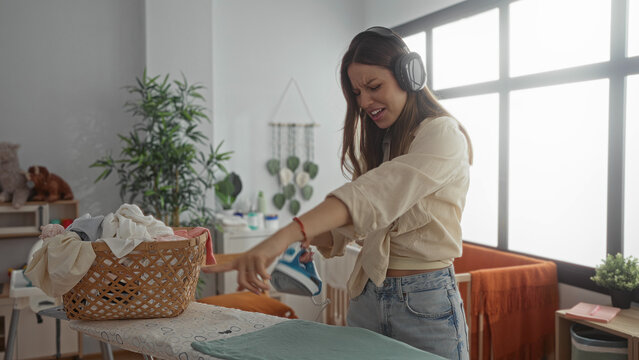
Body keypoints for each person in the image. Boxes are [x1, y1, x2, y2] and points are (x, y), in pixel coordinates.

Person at [207, 26, 473, 359]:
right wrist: (305, 238)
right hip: (367, 298)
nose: (364, 102)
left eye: (373, 87)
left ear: (409, 76)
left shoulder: (443, 135)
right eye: (357, 92)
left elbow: (375, 194)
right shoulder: (386, 142)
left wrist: (284, 234)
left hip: (424, 304)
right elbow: (366, 221)